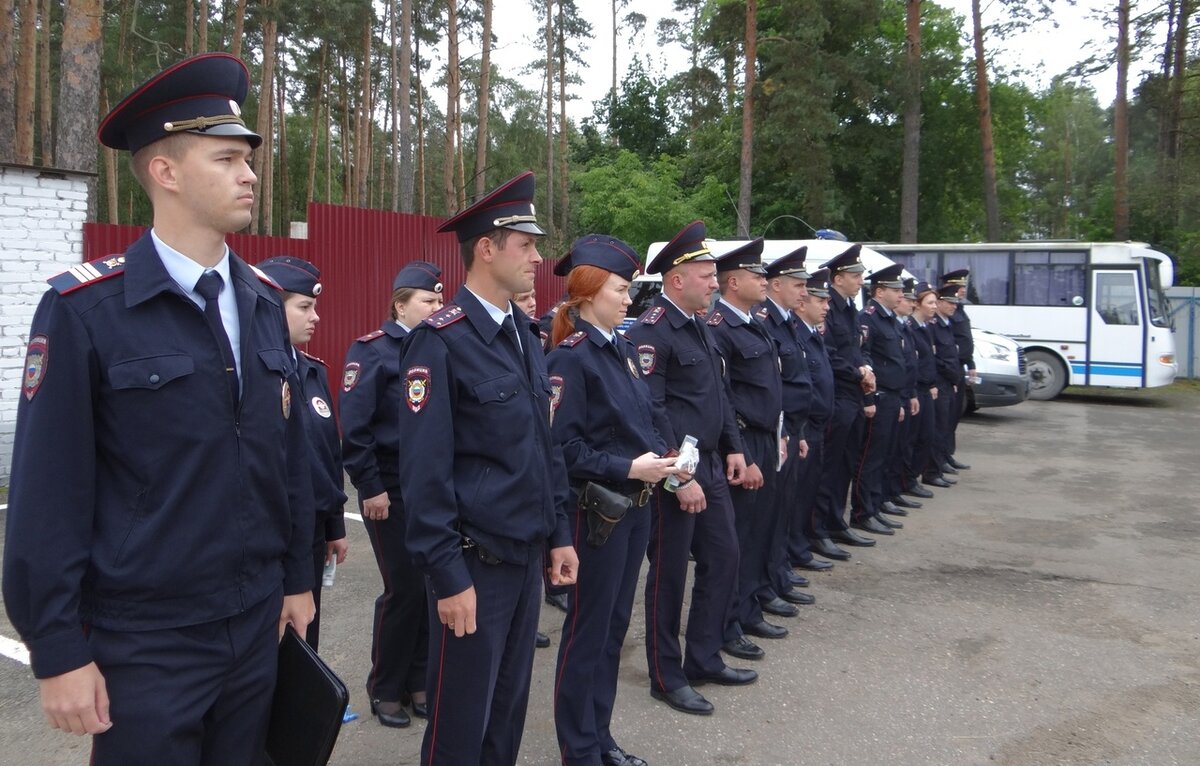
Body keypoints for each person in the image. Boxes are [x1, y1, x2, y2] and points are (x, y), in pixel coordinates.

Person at [2, 53, 314, 765]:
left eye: (249, 159)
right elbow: (47, 493)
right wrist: (56, 649)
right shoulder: (87, 310)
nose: (250, 174)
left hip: (254, 625)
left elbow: (285, 457)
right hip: (146, 642)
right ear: (165, 172)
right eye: (227, 158)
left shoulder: (264, 304)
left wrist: (296, 578)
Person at [397, 172, 578, 765]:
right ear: (487, 248)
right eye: (525, 245)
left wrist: (558, 534)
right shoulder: (440, 342)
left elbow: (542, 447)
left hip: (525, 559)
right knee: (460, 724)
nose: (537, 256)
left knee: (507, 714)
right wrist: (448, 577)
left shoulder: (524, 336)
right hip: (474, 567)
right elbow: (424, 476)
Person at [546, 235, 679, 766]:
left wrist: (667, 456)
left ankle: (600, 739)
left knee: (612, 629)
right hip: (596, 513)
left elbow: (640, 419)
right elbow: (562, 448)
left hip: (633, 508)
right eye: (622, 290)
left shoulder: (619, 349)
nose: (629, 300)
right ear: (590, 291)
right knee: (588, 632)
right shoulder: (571, 358)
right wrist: (628, 466)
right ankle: (578, 749)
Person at [625, 220, 756, 717]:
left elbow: (717, 397)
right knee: (669, 577)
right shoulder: (652, 331)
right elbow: (650, 412)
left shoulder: (701, 326)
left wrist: (735, 447)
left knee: (725, 556)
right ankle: (666, 673)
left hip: (711, 468)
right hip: (672, 479)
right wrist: (680, 476)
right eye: (706, 274)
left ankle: (703, 657)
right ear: (676, 279)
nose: (715, 282)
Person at [340, 261, 444, 727]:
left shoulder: (440, 348)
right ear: (400, 304)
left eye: (441, 300)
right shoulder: (374, 351)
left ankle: (419, 681)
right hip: (391, 487)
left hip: (430, 488)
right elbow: (356, 428)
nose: (437, 307)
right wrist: (370, 487)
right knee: (403, 589)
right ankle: (385, 687)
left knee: (431, 587)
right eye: (428, 300)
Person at [706, 239, 794, 659]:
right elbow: (725, 398)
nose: (765, 281)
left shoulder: (754, 321)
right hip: (743, 442)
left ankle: (750, 604)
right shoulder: (720, 327)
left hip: (764, 434)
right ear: (734, 281)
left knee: (761, 528)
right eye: (757, 276)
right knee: (736, 538)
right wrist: (746, 452)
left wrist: (778, 430)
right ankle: (728, 621)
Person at [259, 256, 349, 652]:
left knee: (304, 636)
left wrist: (334, 526)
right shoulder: (254, 373)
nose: (316, 318)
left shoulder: (311, 370)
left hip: (310, 534)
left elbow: (327, 454)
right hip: (270, 535)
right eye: (304, 307)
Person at [811, 244, 878, 550]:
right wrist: (857, 372)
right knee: (829, 468)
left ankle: (836, 521)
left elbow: (857, 348)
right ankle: (818, 529)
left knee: (846, 464)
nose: (861, 280)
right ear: (838, 278)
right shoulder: (830, 308)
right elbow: (829, 354)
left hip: (853, 394)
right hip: (838, 396)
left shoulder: (849, 308)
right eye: (856, 275)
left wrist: (866, 367)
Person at [849, 263, 908, 537]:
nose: (901, 295)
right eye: (896, 290)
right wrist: (871, 396)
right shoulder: (869, 318)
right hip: (879, 396)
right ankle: (863, 512)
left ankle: (875, 505)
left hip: (893, 395)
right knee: (869, 458)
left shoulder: (890, 319)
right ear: (880, 291)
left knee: (883, 455)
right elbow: (865, 357)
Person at [792, 269, 844, 563]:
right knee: (797, 497)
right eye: (820, 301)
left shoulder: (812, 334)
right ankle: (794, 551)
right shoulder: (797, 333)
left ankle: (799, 547)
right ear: (803, 303)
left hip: (818, 426)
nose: (827, 306)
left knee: (809, 491)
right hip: (804, 427)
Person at [926, 285, 965, 489]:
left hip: (949, 382)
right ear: (940, 303)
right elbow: (935, 358)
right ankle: (932, 470)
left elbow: (952, 354)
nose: (953, 307)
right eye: (949, 302)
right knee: (938, 428)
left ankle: (940, 465)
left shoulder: (946, 323)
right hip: (940, 382)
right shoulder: (933, 325)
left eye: (955, 303)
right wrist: (948, 376)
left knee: (946, 426)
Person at [906, 282, 942, 498]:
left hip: (926, 389)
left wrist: (932, 384)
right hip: (915, 389)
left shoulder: (926, 327)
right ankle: (907, 480)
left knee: (926, 436)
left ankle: (912, 477)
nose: (934, 306)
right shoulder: (910, 327)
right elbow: (912, 363)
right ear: (917, 305)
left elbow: (929, 359)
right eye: (930, 302)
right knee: (913, 439)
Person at [940, 269, 974, 473]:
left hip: (958, 367)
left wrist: (971, 365)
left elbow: (965, 339)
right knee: (944, 418)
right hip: (948, 370)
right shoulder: (944, 310)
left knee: (953, 416)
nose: (961, 291)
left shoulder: (958, 309)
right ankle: (941, 457)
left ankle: (947, 454)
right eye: (958, 287)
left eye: (962, 287)